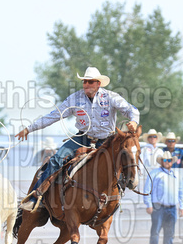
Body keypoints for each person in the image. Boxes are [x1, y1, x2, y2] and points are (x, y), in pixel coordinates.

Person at [15, 66, 139, 210]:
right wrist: (29, 129)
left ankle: (116, 197)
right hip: (82, 137)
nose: (86, 85)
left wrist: (134, 121)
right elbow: (54, 115)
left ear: (98, 84)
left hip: (106, 140)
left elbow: (132, 109)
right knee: (56, 159)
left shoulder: (110, 97)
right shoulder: (75, 98)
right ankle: (36, 196)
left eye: (90, 82)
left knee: (124, 159)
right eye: (85, 82)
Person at [143, 151, 183, 244]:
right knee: (155, 231)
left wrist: (182, 206)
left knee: (169, 232)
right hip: (158, 206)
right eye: (165, 160)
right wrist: (148, 204)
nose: (167, 162)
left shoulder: (176, 175)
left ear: (172, 161)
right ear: (162, 161)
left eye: (169, 160)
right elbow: (147, 189)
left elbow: (181, 191)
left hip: (172, 207)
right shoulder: (154, 173)